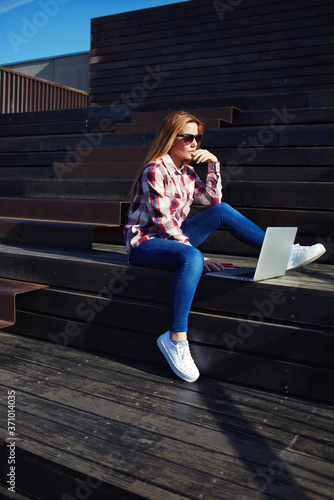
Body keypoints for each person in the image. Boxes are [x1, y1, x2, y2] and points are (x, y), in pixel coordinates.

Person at [123, 111, 326, 383]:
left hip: (173, 238)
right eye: (188, 137)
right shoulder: (154, 170)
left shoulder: (187, 172)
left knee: (223, 210)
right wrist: (198, 257)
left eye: (198, 137)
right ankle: (175, 339)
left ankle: (283, 253)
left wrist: (214, 165)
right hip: (145, 244)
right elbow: (162, 225)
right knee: (192, 257)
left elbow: (212, 201)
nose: (194, 143)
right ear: (171, 138)